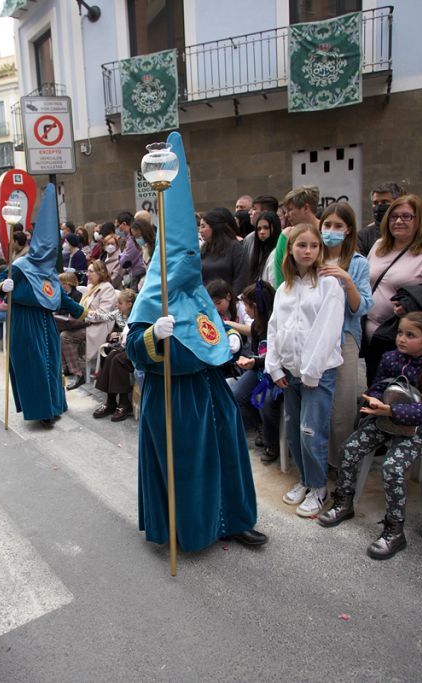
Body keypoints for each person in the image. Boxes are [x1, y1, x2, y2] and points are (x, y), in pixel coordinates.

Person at [126, 131, 267, 550]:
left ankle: (235, 519)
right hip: (174, 397)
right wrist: (153, 335)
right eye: (183, 257)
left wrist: (228, 340)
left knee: (228, 457)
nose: (191, 264)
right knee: (187, 465)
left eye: (195, 256)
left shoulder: (197, 292)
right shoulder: (154, 293)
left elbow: (209, 332)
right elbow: (134, 347)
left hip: (209, 391)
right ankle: (190, 528)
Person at [318, 312, 422, 559]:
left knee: (392, 467)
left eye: (410, 335)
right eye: (400, 333)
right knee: (349, 449)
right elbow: (379, 385)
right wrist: (375, 399)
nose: (401, 339)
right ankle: (344, 502)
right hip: (386, 417)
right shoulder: (391, 358)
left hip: (421, 429)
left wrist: (393, 410)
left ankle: (395, 529)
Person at [266, 223, 346, 518]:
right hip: (290, 371)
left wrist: (311, 371)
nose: (308, 251)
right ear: (290, 249)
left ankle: (319, 487)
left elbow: (327, 330)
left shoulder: (328, 284)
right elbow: (275, 328)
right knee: (295, 429)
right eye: (302, 245)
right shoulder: (284, 287)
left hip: (318, 372)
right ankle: (305, 480)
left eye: (314, 245)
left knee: (312, 431)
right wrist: (274, 367)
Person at [0, 184, 87, 427]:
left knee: (51, 363)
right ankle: (42, 410)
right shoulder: (20, 266)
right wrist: (2, 287)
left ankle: (55, 404)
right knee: (34, 366)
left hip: (45, 322)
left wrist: (81, 309)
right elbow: (0, 282)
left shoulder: (47, 270)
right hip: (24, 324)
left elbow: (57, 296)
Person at [363, 194, 422, 385]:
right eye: (393, 216)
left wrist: (412, 305)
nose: (398, 221)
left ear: (419, 220)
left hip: (408, 341)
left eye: (406, 216)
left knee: (403, 394)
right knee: (376, 388)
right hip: (375, 337)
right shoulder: (379, 246)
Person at [317, 202, 373, 464]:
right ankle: (319, 458)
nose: (331, 230)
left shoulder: (358, 263)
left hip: (345, 339)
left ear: (349, 230)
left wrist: (347, 280)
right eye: (327, 225)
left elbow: (360, 307)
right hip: (314, 340)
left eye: (338, 226)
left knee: (342, 405)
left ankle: (342, 463)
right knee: (318, 402)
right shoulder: (312, 256)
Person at [231, 281, 280, 461]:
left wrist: (255, 361)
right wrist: (227, 323)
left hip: (276, 374)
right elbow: (249, 331)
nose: (245, 309)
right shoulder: (257, 324)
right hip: (258, 369)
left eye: (246, 305)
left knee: (269, 402)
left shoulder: (277, 321)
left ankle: (272, 443)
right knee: (236, 394)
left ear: (255, 306)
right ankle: (259, 426)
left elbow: (277, 357)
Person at [60, 260, 116, 391]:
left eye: (91, 271)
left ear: (100, 272)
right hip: (86, 323)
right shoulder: (91, 286)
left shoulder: (107, 288)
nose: (87, 274)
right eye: (87, 271)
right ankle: (64, 368)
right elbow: (81, 307)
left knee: (65, 336)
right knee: (59, 329)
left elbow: (103, 314)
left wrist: (83, 315)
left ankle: (78, 374)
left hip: (98, 326)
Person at [92, 288, 138, 421]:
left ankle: (124, 403)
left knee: (118, 360)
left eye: (120, 303)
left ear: (129, 304)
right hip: (126, 344)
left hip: (134, 345)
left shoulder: (136, 313)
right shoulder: (120, 312)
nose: (117, 305)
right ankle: (110, 401)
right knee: (110, 356)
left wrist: (119, 335)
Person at [272, 186, 321, 287]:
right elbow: (280, 276)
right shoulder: (286, 236)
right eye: (302, 245)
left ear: (306, 208)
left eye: (290, 210)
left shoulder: (327, 233)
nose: (286, 215)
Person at [199, 208, 246, 293]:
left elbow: (241, 278)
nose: (200, 230)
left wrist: (232, 300)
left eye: (203, 226)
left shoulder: (235, 247)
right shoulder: (203, 249)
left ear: (214, 227)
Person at [357, 182, 404, 257]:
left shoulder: (406, 232)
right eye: (375, 203)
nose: (379, 206)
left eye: (384, 202)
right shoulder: (364, 236)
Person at [244, 210, 280, 286]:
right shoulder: (259, 252)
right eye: (259, 229)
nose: (262, 232)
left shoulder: (278, 252)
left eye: (266, 228)